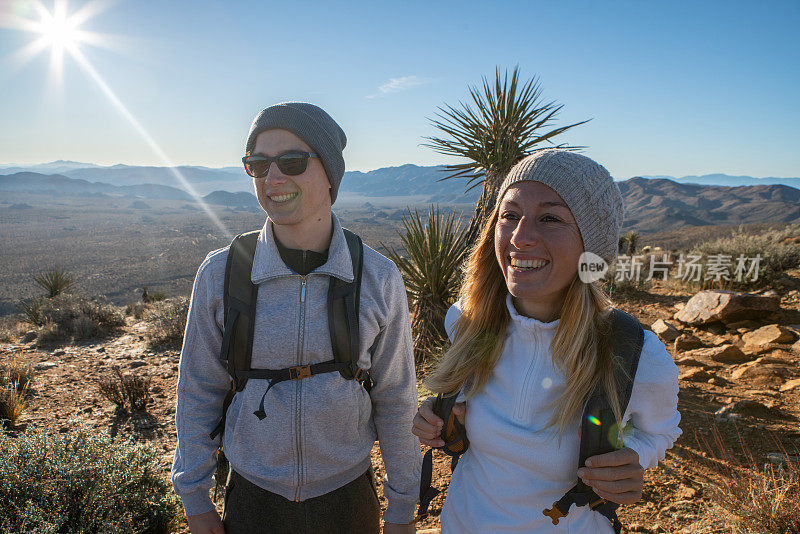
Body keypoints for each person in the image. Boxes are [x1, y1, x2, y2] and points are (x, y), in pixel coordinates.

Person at [172, 102, 421, 534]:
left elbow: (397, 400)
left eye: (291, 161)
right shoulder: (222, 275)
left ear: (331, 173)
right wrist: (195, 499)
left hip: (348, 500)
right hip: (252, 499)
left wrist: (402, 508)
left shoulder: (377, 278)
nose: (272, 179)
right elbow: (198, 393)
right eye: (258, 164)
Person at [412, 149, 681, 533]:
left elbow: (661, 431)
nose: (520, 238)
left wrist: (632, 457)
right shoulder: (467, 322)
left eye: (550, 218)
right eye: (509, 215)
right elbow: (465, 411)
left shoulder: (632, 353)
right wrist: (439, 417)